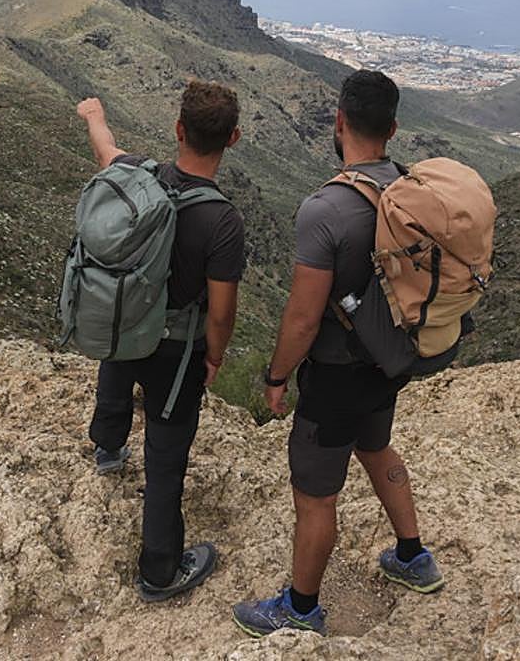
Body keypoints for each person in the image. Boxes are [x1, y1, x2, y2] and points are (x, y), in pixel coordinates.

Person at [233, 70, 445, 637]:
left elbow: (303, 317)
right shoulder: (408, 190)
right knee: (376, 448)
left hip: (335, 375)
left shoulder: (325, 210)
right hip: (389, 363)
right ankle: (412, 556)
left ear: (339, 122)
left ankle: (300, 610)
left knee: (315, 495)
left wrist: (277, 376)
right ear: (394, 128)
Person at [76, 80, 245, 602]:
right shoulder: (223, 221)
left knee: (121, 354)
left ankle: (106, 443)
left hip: (127, 330)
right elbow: (221, 311)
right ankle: (160, 572)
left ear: (177, 129)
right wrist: (215, 356)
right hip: (178, 352)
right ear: (233, 138)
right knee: (166, 455)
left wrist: (94, 113)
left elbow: (105, 149)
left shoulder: (138, 177)